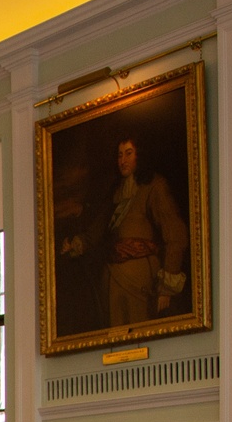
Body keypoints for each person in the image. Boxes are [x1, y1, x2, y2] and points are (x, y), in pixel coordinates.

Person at [60, 137, 188, 326]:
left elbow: (175, 235)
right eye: (120, 155)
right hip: (112, 281)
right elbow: (97, 231)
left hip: (141, 281)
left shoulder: (154, 186)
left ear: (139, 156)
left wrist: (166, 288)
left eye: (128, 153)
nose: (123, 160)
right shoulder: (116, 191)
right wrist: (75, 245)